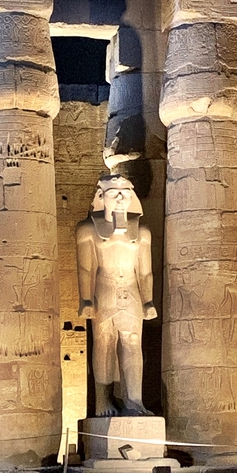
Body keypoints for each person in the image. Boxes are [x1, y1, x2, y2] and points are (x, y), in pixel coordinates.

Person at [76, 176, 156, 417]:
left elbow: (145, 271)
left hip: (131, 290)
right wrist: (86, 299)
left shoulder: (142, 232)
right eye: (114, 193)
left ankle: (134, 400)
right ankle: (102, 401)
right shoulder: (88, 229)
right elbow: (86, 268)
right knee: (104, 343)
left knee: (133, 344)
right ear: (101, 197)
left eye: (125, 193)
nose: (121, 199)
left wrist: (148, 300)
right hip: (105, 289)